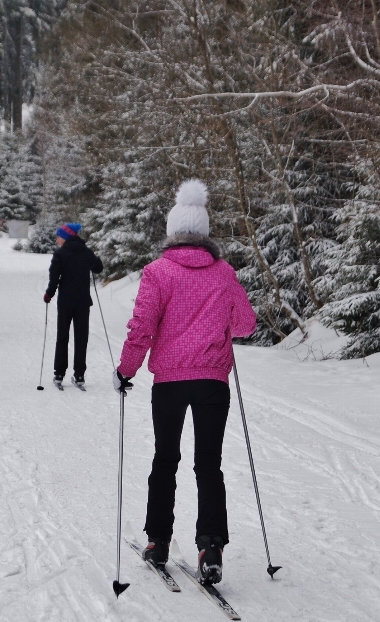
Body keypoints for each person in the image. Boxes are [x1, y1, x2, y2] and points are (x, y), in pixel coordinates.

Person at [113, 179, 257, 585]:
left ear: (173, 232)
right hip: (213, 382)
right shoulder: (224, 272)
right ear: (205, 233)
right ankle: (210, 547)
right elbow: (246, 323)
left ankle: (158, 541)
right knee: (208, 464)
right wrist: (221, 321)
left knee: (166, 460)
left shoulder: (157, 272)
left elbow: (142, 326)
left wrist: (126, 370)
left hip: (171, 383)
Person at [43, 223, 104, 388]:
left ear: (66, 237)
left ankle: (59, 373)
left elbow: (54, 278)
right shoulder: (86, 252)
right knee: (81, 338)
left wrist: (49, 294)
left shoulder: (60, 254)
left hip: (65, 303)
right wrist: (92, 260)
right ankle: (79, 375)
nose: (57, 240)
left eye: (58, 236)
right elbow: (98, 268)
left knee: (62, 336)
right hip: (83, 302)